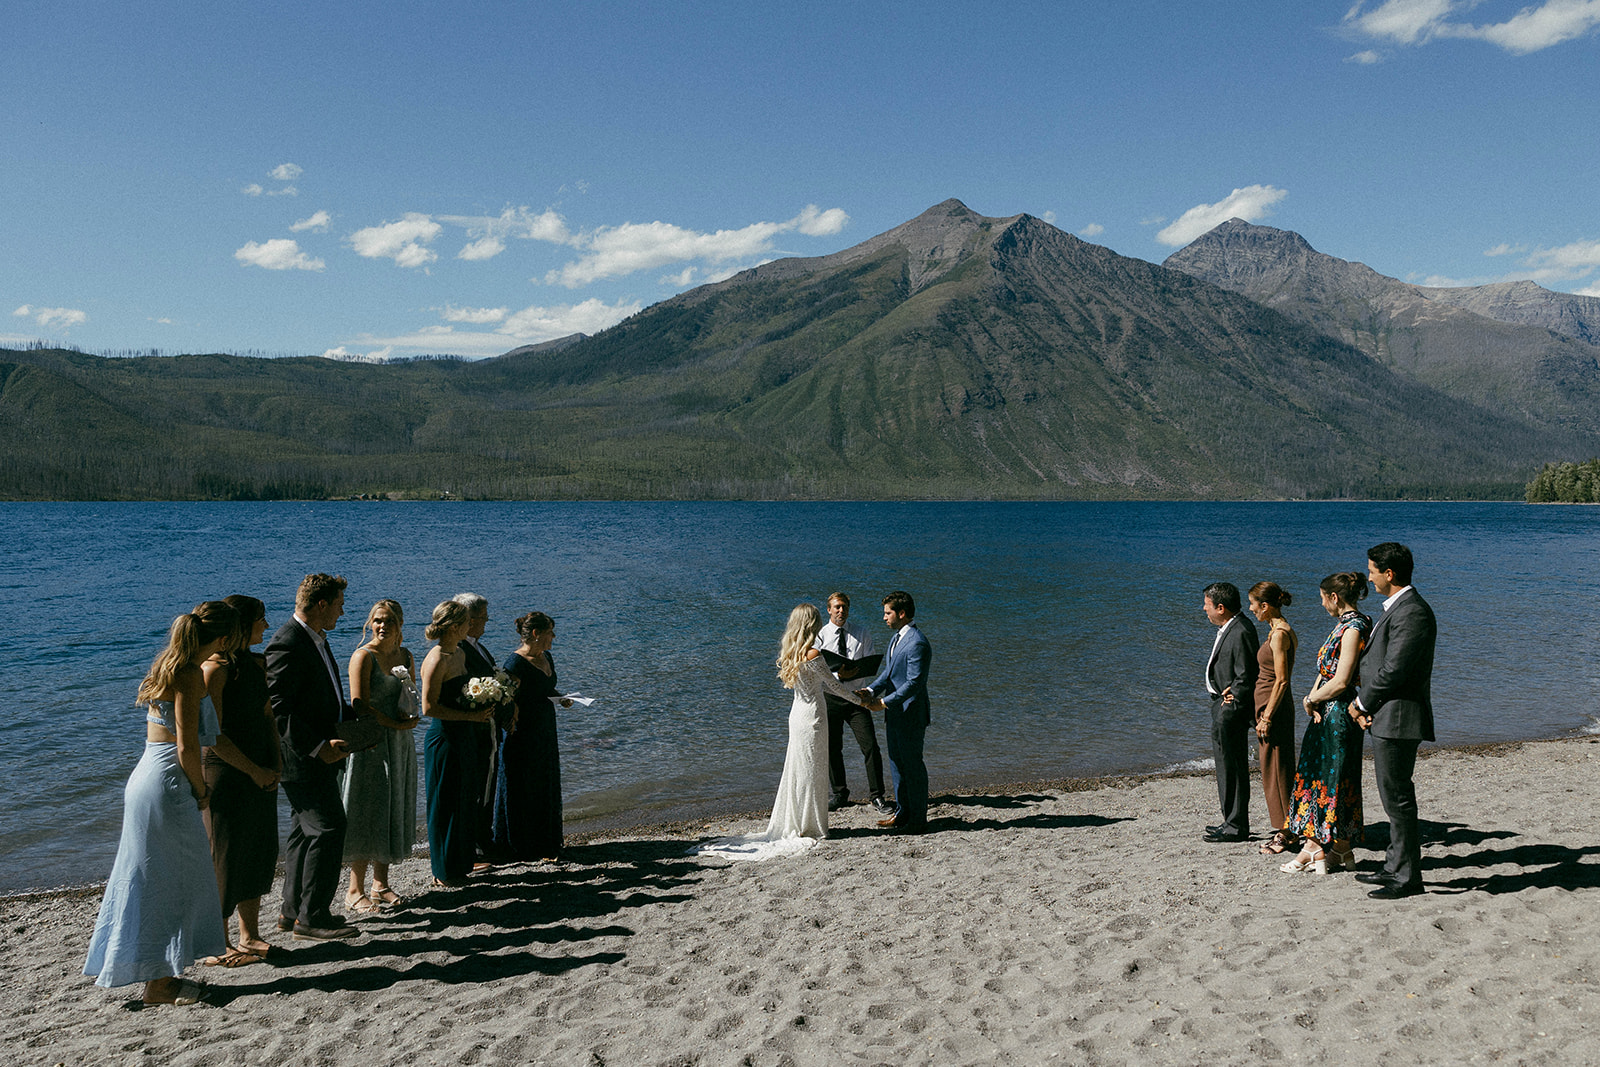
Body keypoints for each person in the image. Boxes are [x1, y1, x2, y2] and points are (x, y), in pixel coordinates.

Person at [84, 602, 238, 1006]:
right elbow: (188, 744)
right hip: (170, 780)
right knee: (175, 880)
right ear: (223, 639)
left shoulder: (168, 667)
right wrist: (201, 791)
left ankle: (157, 975)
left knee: (150, 875)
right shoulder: (190, 675)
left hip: (146, 775)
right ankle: (160, 982)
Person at [693, 603, 869, 860]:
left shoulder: (792, 652)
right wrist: (863, 701)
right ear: (812, 624)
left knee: (800, 770)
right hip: (813, 719)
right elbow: (834, 687)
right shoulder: (813, 655)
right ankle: (811, 825)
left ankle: (800, 821)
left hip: (797, 715)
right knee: (812, 770)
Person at [266, 573, 358, 941]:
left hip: (320, 750)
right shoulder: (288, 642)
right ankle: (313, 917)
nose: (342, 610)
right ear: (321, 604)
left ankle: (292, 913)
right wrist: (319, 747)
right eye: (338, 604)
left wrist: (353, 723)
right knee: (330, 827)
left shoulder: (315, 639)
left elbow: (324, 696)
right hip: (303, 757)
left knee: (304, 833)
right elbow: (280, 709)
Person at [199, 595, 281, 966]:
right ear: (241, 626)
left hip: (261, 763)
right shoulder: (214, 669)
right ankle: (218, 941)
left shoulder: (257, 663)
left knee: (259, 850)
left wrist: (276, 762)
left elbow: (268, 717)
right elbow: (212, 735)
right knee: (226, 854)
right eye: (260, 619)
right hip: (227, 769)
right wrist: (253, 769)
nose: (266, 625)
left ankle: (250, 934)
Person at [1353, 542, 1438, 900]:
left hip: (1399, 717)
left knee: (1398, 797)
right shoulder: (1398, 608)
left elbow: (1395, 669)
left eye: (1372, 570)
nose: (1368, 577)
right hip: (1388, 715)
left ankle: (1407, 877)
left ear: (1389, 574)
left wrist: (1361, 701)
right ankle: (1394, 865)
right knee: (1392, 796)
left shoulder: (1412, 612)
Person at [1281, 572, 1371, 875]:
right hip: (1329, 709)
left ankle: (1314, 847)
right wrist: (1316, 696)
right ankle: (1341, 848)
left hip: (1338, 712)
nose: (1321, 604)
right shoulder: (1346, 625)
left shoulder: (1353, 628)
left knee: (1331, 779)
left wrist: (1311, 699)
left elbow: (1342, 680)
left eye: (1322, 598)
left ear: (1335, 597)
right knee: (1329, 775)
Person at [340, 599, 420, 911]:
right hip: (371, 743)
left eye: (388, 621)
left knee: (391, 808)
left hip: (400, 742)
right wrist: (392, 724)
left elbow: (411, 693)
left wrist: (411, 716)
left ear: (400, 624)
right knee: (367, 808)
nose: (382, 626)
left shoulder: (406, 655)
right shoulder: (363, 656)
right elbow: (358, 705)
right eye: (377, 620)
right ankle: (353, 889)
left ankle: (380, 884)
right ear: (370, 624)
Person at [421, 600, 494, 886]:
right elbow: (428, 708)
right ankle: (443, 870)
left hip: (465, 735)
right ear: (453, 627)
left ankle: (461, 862)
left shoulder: (458, 653)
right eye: (466, 622)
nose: (470, 626)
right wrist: (468, 716)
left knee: (464, 799)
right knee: (444, 802)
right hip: (445, 738)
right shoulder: (437, 657)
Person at [494, 611, 571, 861]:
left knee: (545, 779)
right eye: (550, 632)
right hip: (523, 731)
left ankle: (546, 841)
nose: (554, 637)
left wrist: (562, 697)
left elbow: (545, 688)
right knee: (523, 783)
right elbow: (506, 699)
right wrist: (511, 718)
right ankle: (521, 845)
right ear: (536, 634)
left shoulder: (546, 656)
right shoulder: (515, 663)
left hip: (545, 727)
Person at [857, 591, 933, 833]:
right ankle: (902, 813)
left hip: (910, 714)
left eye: (887, 613)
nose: (884, 617)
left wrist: (883, 703)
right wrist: (869, 689)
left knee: (912, 766)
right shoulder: (897, 638)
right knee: (896, 765)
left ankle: (918, 820)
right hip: (895, 714)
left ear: (901, 614)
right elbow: (888, 674)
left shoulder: (917, 642)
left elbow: (914, 684)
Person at [814, 592, 887, 813]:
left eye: (844, 607)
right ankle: (840, 794)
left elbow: (870, 663)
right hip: (831, 698)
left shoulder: (861, 633)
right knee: (832, 748)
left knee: (870, 746)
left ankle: (877, 796)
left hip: (857, 698)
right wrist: (839, 677)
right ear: (828, 609)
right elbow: (815, 670)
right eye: (836, 607)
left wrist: (859, 677)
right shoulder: (820, 635)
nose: (841, 611)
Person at [1201, 582, 1259, 843]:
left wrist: (1229, 705)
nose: (1204, 609)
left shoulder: (1241, 630)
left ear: (1221, 608)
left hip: (1230, 711)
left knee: (1233, 767)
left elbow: (1246, 676)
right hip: (1222, 706)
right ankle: (1230, 821)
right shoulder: (1231, 627)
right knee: (1225, 767)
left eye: (1207, 604)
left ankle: (1236, 826)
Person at [1248, 582, 1298, 855]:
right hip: (1270, 705)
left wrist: (1267, 716)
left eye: (1253, 604)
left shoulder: (1279, 634)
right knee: (1273, 767)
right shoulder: (1276, 631)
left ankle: (1286, 832)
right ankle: (1286, 826)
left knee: (1277, 769)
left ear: (1265, 606)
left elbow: (1282, 681)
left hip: (1273, 707)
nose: (1251, 609)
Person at [453, 593, 500, 865]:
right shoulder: (460, 649)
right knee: (475, 786)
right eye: (483, 618)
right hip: (473, 729)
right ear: (469, 621)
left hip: (486, 726)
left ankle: (483, 839)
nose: (486, 622)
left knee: (486, 783)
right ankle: (474, 845)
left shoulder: (478, 647)